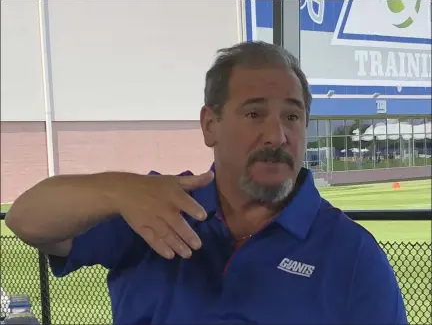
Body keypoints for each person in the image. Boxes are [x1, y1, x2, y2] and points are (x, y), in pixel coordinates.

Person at [5, 41, 407, 324]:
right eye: (254, 114)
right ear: (209, 125)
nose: (277, 135)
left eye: (292, 116)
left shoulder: (351, 254)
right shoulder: (154, 206)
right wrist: (118, 190)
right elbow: (25, 218)